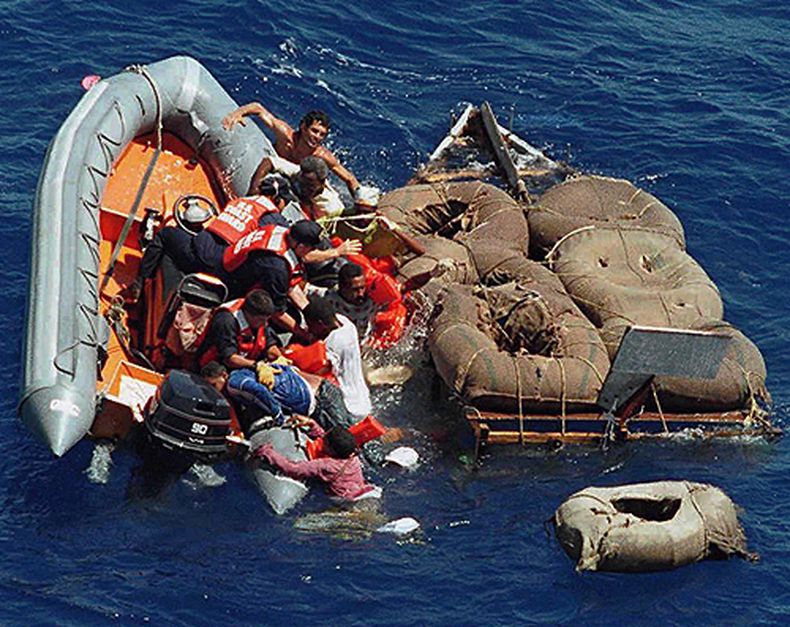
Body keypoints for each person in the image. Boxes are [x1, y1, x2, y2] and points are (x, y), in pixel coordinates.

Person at [222, 104, 362, 200]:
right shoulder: (285, 134)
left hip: (298, 181)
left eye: (322, 134)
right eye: (314, 131)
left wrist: (358, 197)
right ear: (303, 127)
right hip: (271, 166)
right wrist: (236, 114)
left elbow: (349, 178)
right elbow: (258, 108)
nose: (317, 137)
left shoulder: (321, 155)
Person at [251, 420, 378, 502]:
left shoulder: (326, 466)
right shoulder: (353, 454)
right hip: (366, 492)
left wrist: (268, 452)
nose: (322, 441)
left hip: (346, 502)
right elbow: (328, 440)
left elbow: (293, 469)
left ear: (331, 450)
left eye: (325, 443)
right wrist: (312, 425)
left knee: (304, 525)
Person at [302, 296, 372, 420]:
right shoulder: (347, 324)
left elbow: (319, 372)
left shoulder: (331, 345)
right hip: (364, 400)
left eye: (311, 326)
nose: (310, 330)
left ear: (320, 324)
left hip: (347, 407)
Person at [196, 289, 282, 370]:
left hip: (246, 365)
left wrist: (281, 360)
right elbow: (230, 359)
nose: (265, 324)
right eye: (262, 320)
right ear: (248, 315)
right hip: (215, 368)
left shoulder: (259, 317)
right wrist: (257, 366)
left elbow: (270, 345)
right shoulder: (226, 321)